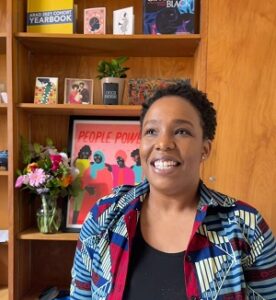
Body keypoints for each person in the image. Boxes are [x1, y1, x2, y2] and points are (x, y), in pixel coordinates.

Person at [70, 82, 276, 299]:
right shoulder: (103, 216)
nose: (163, 143)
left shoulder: (246, 226)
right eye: (151, 131)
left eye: (181, 131)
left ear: (204, 150)